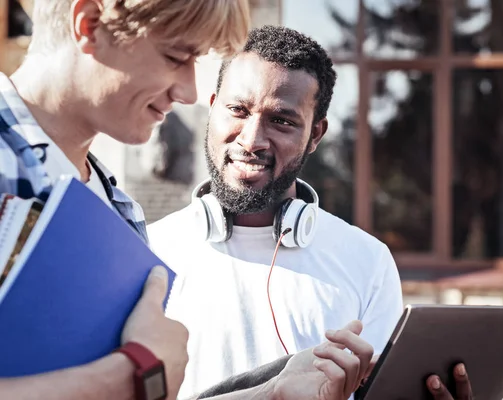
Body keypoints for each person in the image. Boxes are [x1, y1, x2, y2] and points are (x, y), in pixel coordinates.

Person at [0, 1, 383, 399]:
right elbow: (135, 380)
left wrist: (272, 393)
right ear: (90, 24)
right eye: (176, 56)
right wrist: (134, 376)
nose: (189, 93)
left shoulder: (116, 206)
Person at [148, 25, 405, 399]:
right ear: (213, 107)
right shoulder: (149, 249)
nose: (251, 140)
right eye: (237, 110)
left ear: (315, 135)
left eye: (281, 120)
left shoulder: (368, 261)